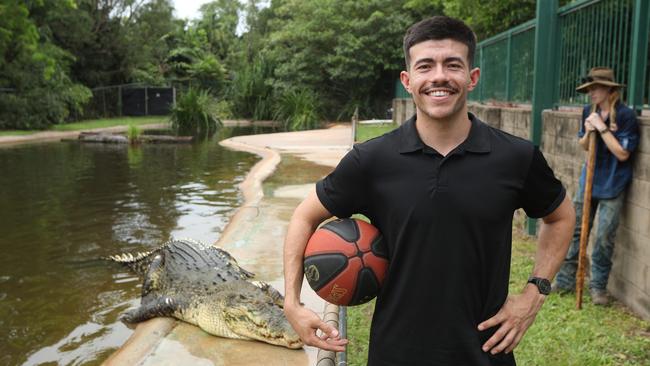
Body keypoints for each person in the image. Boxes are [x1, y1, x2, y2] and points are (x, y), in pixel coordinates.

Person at [283, 16, 575, 365]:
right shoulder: (372, 160)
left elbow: (560, 216)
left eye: (452, 64)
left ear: (472, 77)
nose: (439, 76)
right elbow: (305, 215)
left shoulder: (515, 157)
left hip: (485, 355)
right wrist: (292, 302)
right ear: (408, 80)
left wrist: (534, 293)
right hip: (395, 354)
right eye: (425, 66)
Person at [553, 67, 639, 305]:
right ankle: (566, 281)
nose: (590, 93)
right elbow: (584, 145)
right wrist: (589, 130)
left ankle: (598, 288)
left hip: (614, 184)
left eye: (595, 88)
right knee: (576, 231)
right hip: (588, 181)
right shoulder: (587, 111)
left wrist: (601, 128)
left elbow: (622, 153)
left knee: (603, 237)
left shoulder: (625, 116)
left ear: (609, 89)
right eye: (589, 89)